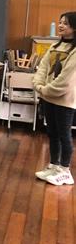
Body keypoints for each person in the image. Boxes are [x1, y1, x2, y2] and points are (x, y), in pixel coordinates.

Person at [33, 11, 76, 186]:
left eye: (65, 23)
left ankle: (65, 171)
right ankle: (53, 165)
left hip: (64, 100)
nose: (61, 25)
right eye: (60, 22)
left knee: (65, 135)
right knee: (52, 133)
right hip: (48, 97)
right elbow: (42, 68)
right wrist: (38, 85)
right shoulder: (54, 46)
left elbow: (66, 79)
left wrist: (44, 90)